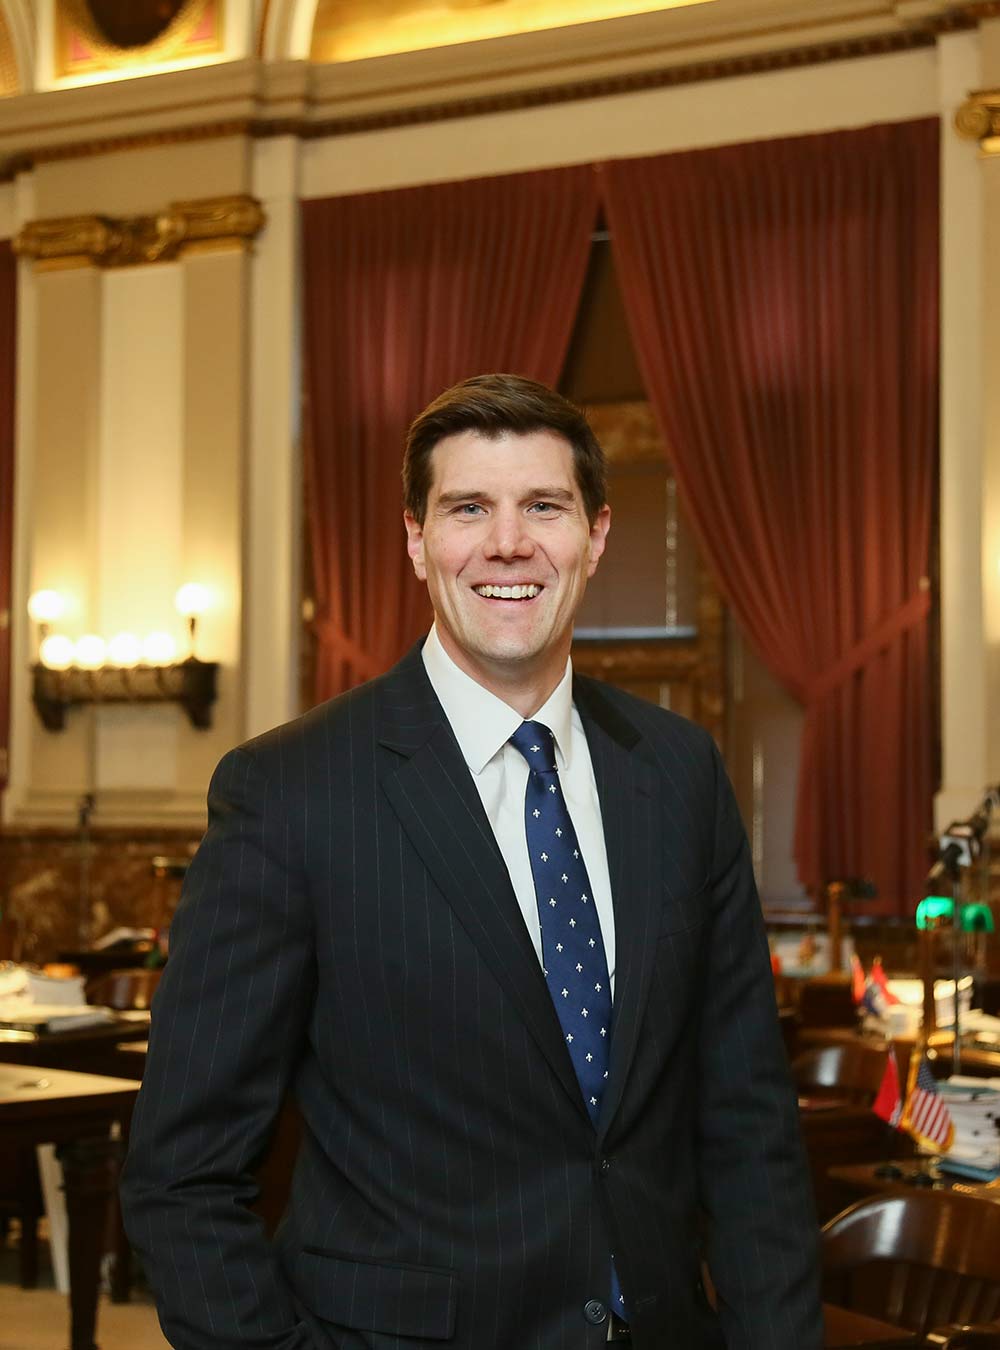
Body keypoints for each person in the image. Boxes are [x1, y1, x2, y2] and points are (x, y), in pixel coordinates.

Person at [121, 374, 822, 1349]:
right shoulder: (290, 791)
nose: (507, 542)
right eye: (467, 509)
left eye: (544, 506)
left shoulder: (677, 771)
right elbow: (182, 1172)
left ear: (597, 535)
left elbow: (749, 1123)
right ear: (416, 541)